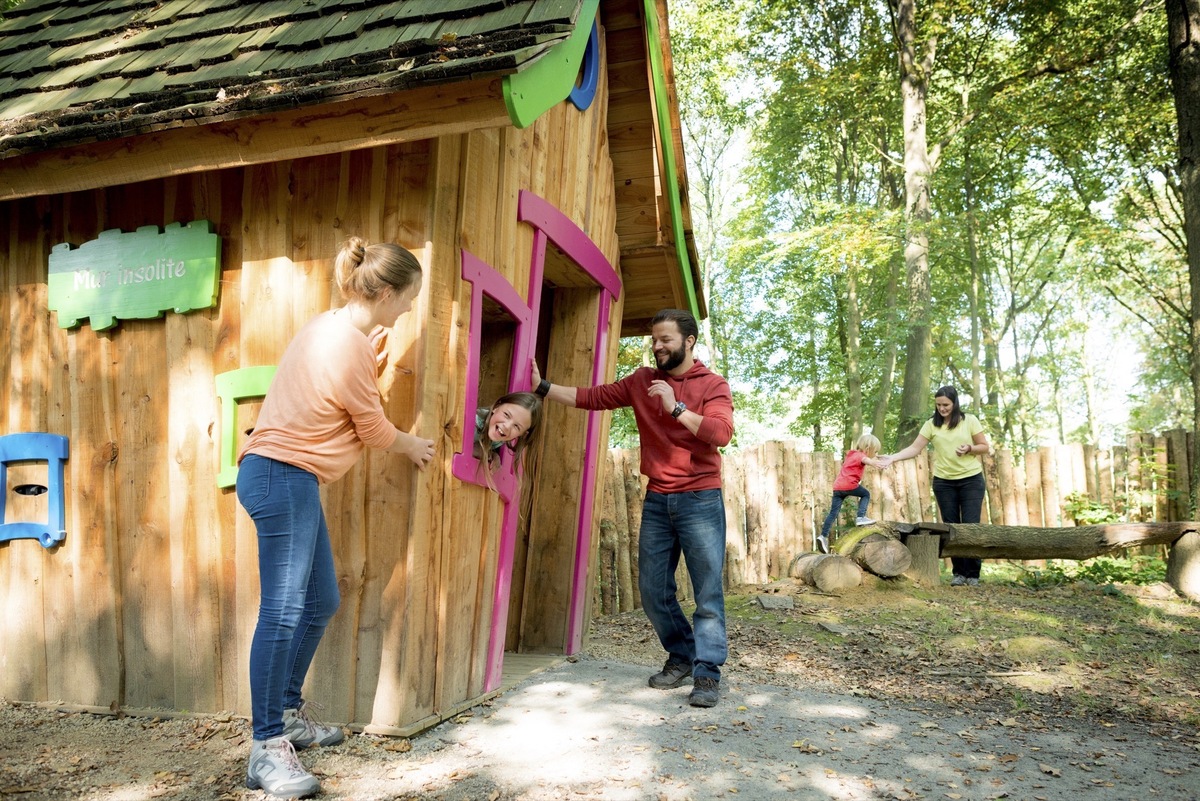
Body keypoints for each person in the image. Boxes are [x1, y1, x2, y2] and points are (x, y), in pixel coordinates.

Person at [235, 237, 436, 799]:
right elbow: (372, 430)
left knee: (320, 600)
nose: (407, 311)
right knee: (282, 611)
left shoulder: (332, 330)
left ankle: (288, 713)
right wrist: (413, 445)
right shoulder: (345, 345)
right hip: (283, 474)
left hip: (286, 476)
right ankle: (266, 746)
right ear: (389, 292)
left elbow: (339, 395)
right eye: (408, 299)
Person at [531, 308, 734, 708]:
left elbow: (721, 434)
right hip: (658, 498)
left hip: (700, 500)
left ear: (689, 342)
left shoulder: (713, 384)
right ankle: (681, 655)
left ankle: (707, 674)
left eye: (666, 340)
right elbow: (593, 397)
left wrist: (676, 407)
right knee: (653, 589)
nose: (657, 347)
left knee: (708, 591)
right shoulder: (642, 381)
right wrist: (543, 387)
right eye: (654, 340)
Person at [880, 386, 989, 586]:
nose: (942, 408)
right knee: (951, 527)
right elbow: (915, 448)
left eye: (946, 405)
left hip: (971, 480)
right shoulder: (931, 424)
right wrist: (893, 457)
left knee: (971, 525)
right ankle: (959, 573)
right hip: (944, 482)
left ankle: (973, 574)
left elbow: (984, 447)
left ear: (955, 403)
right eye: (938, 405)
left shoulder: (970, 421)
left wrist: (970, 448)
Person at [816, 433, 885, 554]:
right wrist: (874, 463)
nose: (876, 454)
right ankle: (860, 517)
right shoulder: (860, 456)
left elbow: (866, 459)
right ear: (868, 448)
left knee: (833, 513)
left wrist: (879, 458)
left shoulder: (852, 455)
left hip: (838, 487)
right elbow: (865, 459)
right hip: (849, 485)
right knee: (865, 494)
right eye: (875, 451)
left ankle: (823, 536)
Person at [473, 391, 544, 489]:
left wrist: (493, 455)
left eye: (516, 426)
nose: (506, 426)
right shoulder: (474, 421)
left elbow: (485, 447)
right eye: (506, 415)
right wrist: (481, 451)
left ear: (522, 434)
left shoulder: (499, 440)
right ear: (496, 407)